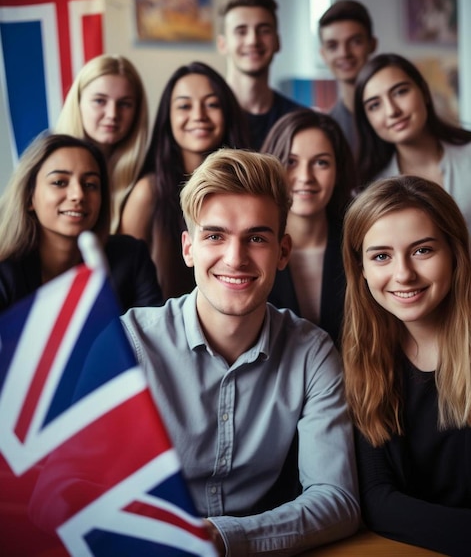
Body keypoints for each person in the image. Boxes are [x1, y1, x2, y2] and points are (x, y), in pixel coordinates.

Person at [120, 148, 360, 556]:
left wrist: (223, 537)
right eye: (214, 235)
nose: (235, 258)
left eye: (256, 238)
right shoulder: (128, 343)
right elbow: (66, 488)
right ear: (188, 248)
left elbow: (336, 500)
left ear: (283, 252)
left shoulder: (312, 353)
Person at [342, 175, 471, 557]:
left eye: (422, 251)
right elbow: (377, 500)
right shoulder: (362, 357)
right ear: (361, 269)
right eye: (381, 256)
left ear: (455, 252)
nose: (403, 275)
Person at [120, 61, 249, 301]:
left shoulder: (248, 189)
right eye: (184, 106)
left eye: (211, 104)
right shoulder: (148, 192)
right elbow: (124, 284)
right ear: (167, 117)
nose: (198, 116)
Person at [0, 134, 162, 314]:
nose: (78, 195)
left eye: (90, 184)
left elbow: (154, 335)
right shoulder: (5, 271)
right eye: (59, 182)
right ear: (29, 197)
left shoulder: (131, 256)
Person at [261, 108, 355, 346]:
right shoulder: (253, 247)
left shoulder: (361, 247)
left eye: (321, 163)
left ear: (338, 171)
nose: (305, 177)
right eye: (291, 162)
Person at [354, 52, 471, 233]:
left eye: (400, 92)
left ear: (424, 91)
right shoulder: (371, 190)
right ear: (367, 119)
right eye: (375, 105)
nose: (392, 111)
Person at [55, 54, 150, 233]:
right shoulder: (43, 165)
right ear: (78, 102)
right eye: (99, 101)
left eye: (124, 104)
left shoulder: (147, 180)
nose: (112, 114)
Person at [218, 0, 302, 151]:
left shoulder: (296, 118)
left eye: (264, 30)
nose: (253, 40)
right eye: (241, 31)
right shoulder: (203, 119)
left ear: (277, 42)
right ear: (223, 44)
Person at [319, 0, 377, 155]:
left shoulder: (396, 116)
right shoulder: (326, 129)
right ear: (323, 54)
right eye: (332, 46)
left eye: (355, 42)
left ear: (372, 44)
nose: (344, 53)